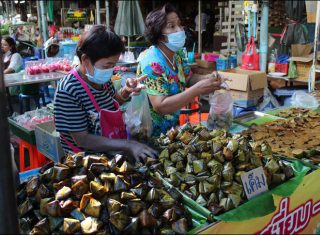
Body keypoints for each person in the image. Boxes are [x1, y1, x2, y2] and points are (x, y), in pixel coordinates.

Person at [54, 25, 157, 162]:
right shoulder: (68, 90)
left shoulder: (102, 80)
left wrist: (126, 91)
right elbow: (82, 139)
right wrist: (128, 145)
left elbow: (111, 102)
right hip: (87, 166)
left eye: (113, 65)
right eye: (107, 66)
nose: (110, 70)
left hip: (112, 158)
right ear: (85, 60)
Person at [137, 4, 222, 136]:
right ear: (159, 35)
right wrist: (197, 90)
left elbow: (188, 78)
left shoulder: (177, 55)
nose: (180, 30)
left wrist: (208, 78)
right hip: (150, 133)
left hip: (171, 130)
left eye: (179, 24)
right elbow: (160, 106)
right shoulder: (151, 63)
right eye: (172, 26)